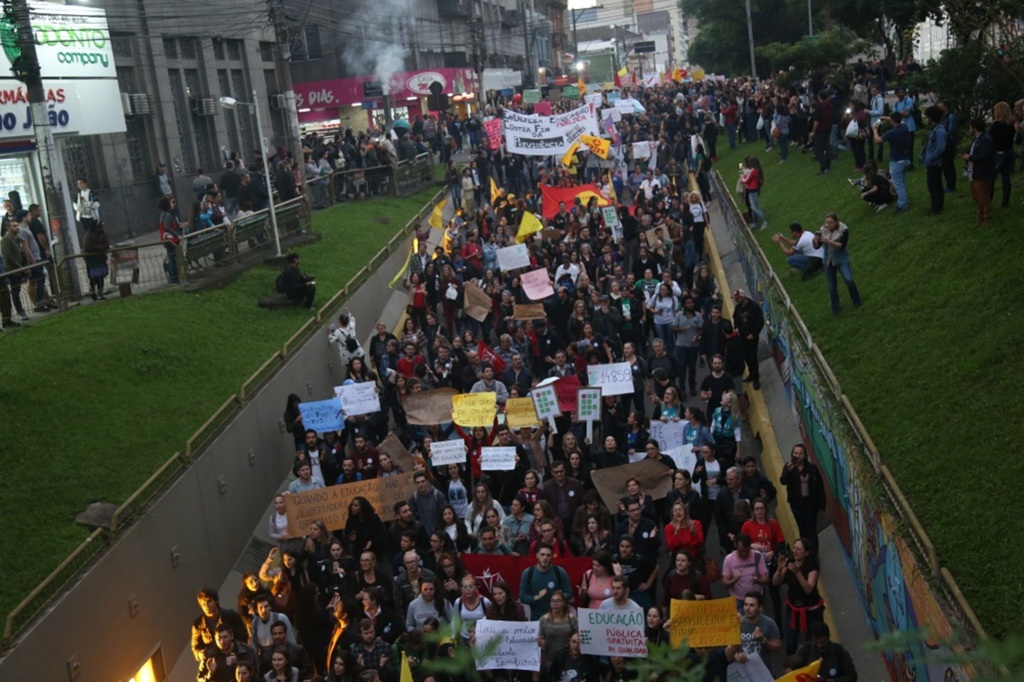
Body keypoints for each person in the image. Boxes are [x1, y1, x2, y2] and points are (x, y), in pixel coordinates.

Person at [773, 538, 824, 655]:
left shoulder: (812, 567)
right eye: (794, 548)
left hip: (811, 611)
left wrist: (798, 573)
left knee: (812, 643)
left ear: (806, 553)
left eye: (799, 549)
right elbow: (775, 582)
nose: (795, 551)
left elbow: (808, 589)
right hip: (793, 609)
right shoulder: (790, 563)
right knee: (790, 643)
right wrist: (779, 569)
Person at [813, 214, 862, 316]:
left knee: (849, 280)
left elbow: (842, 245)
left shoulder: (843, 230)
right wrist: (814, 241)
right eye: (827, 222)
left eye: (831, 222)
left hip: (841, 259)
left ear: (836, 222)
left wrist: (829, 241)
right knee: (832, 285)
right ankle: (835, 308)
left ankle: (856, 300)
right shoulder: (823, 230)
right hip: (828, 261)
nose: (828, 225)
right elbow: (817, 247)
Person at [779, 444, 826, 545]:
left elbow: (819, 486)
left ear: (805, 455)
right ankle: (804, 550)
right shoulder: (789, 466)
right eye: (796, 453)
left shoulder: (812, 468)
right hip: (796, 504)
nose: (798, 456)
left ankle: (813, 551)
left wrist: (822, 504)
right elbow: (783, 481)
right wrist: (789, 471)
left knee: (811, 528)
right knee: (802, 528)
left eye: (800, 453)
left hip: (810, 503)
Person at [725, 592, 783, 672]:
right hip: (744, 671)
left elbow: (777, 648)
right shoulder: (738, 624)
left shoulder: (769, 623)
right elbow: (728, 652)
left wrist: (763, 640)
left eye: (751, 605)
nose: (747, 608)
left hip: (764, 671)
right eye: (745, 604)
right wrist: (736, 656)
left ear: (760, 608)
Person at [786, 622, 857, 682]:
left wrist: (831, 681)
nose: (819, 646)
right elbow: (793, 673)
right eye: (816, 643)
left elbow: (852, 676)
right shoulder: (804, 650)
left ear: (828, 637)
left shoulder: (839, 651)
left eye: (823, 642)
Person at [520, 542, 572, 619]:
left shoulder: (559, 571)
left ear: (552, 556)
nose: (545, 558)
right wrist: (536, 597)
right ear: (537, 555)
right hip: (536, 618)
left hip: (557, 618)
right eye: (542, 554)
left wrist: (559, 597)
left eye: (548, 555)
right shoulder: (528, 573)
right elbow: (523, 597)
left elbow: (569, 593)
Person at [873, 112, 911, 213]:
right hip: (906, 159)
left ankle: (902, 205)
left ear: (892, 121)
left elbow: (877, 140)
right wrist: (886, 117)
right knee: (901, 183)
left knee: (899, 185)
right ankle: (903, 201)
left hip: (897, 162)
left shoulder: (892, 133)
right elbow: (899, 121)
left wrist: (875, 130)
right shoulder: (904, 127)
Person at [961, 117, 995, 226]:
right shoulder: (977, 139)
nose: (969, 130)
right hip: (973, 172)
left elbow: (985, 156)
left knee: (983, 197)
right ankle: (980, 216)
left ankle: (987, 218)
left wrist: (970, 157)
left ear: (974, 128)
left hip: (981, 173)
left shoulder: (985, 139)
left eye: (970, 127)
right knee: (976, 196)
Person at [721, 533, 769, 606]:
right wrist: (734, 580)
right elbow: (725, 583)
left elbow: (765, 580)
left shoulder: (757, 556)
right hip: (738, 599)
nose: (744, 553)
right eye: (741, 551)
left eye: (746, 550)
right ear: (736, 546)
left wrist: (757, 580)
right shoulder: (729, 559)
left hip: (755, 598)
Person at [919, 105, 949, 216]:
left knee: (934, 186)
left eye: (927, 117)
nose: (926, 120)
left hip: (935, 162)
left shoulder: (940, 131)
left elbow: (940, 147)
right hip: (932, 162)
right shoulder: (935, 129)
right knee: (935, 185)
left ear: (931, 118)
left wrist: (930, 157)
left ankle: (936, 208)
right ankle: (938, 206)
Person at [989, 102, 1015, 208]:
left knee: (991, 178)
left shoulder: (995, 125)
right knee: (1006, 178)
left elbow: (990, 140)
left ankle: (988, 201)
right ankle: (1005, 202)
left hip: (997, 153)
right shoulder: (1011, 124)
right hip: (1008, 151)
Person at [82, 219, 111, 300]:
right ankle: (92, 291)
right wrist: (99, 248)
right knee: (93, 278)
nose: (102, 228)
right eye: (100, 226)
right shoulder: (89, 235)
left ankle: (100, 294)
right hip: (92, 260)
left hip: (101, 259)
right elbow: (88, 248)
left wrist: (99, 248)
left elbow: (107, 244)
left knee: (101, 277)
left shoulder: (103, 234)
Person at [740, 157, 767, 230]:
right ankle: (754, 223)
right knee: (753, 207)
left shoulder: (753, 171)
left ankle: (764, 222)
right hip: (754, 189)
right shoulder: (757, 170)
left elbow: (746, 181)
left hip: (752, 190)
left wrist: (742, 177)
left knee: (755, 207)